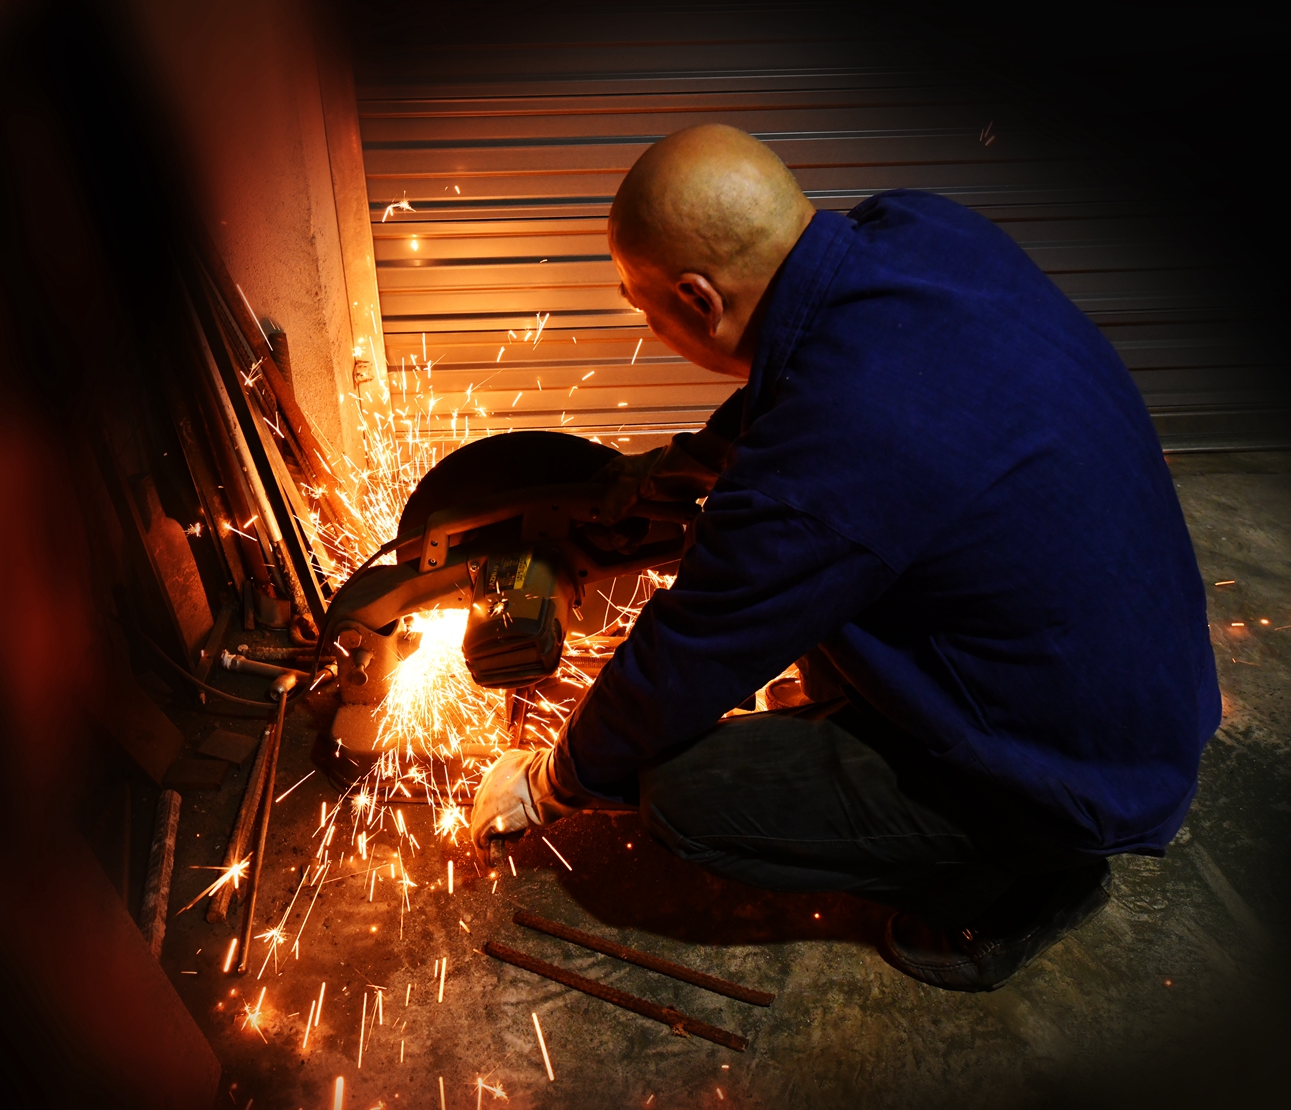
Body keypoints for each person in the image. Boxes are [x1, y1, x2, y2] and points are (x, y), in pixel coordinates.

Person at [468, 124, 1220, 991]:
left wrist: (552, 780)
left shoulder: (827, 462)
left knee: (683, 797)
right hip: (1135, 681)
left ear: (699, 300)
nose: (643, 319)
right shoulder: (922, 228)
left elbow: (692, 649)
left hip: (1077, 772)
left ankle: (1023, 884)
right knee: (816, 591)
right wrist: (682, 468)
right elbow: (809, 378)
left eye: (641, 303)